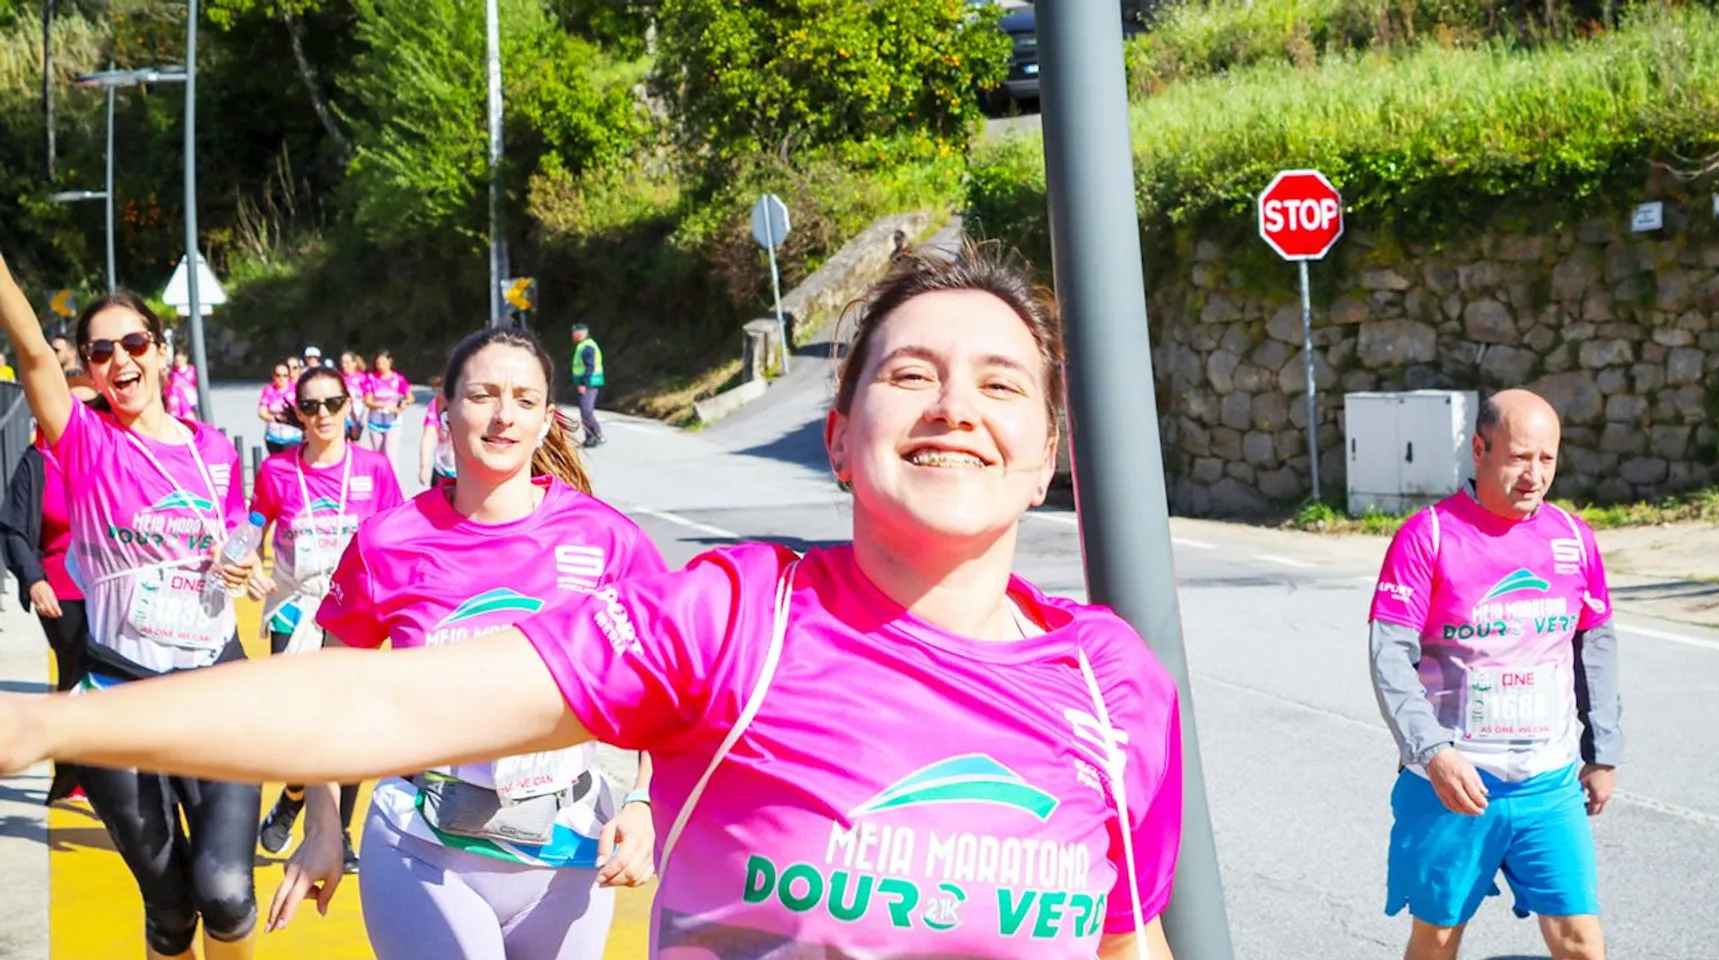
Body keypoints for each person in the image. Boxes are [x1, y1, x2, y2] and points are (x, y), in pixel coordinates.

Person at [0, 245, 1183, 959]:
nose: (952, 408)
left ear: (1046, 455)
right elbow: (385, 703)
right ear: (835, 434)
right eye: (909, 375)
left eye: (1000, 384)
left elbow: (1127, 937)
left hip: (561, 861)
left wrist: (625, 815)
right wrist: (53, 724)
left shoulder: (1112, 684)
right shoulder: (740, 620)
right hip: (434, 846)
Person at [264, 326, 665, 958]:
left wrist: (646, 801)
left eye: (525, 400)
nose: (504, 416)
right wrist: (321, 825)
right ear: (445, 411)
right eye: (483, 395)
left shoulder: (605, 539)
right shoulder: (388, 541)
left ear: (544, 419)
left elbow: (667, 686)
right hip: (424, 844)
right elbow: (328, 696)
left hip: (568, 848)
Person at [0, 255, 262, 959]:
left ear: (163, 352)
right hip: (119, 698)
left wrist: (240, 559)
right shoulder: (85, 442)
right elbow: (28, 348)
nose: (121, 360)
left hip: (214, 685)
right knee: (172, 910)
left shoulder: (212, 451)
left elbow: (235, 531)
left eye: (135, 344)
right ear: (86, 368)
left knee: (228, 892)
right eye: (101, 351)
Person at [1367, 388, 1622, 960]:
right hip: (1454, 783)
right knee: (1437, 939)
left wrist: (1603, 750)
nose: (1534, 476)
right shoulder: (1428, 535)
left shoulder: (1572, 537)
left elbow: (1595, 645)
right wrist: (1433, 752)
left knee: (1582, 942)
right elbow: (1389, 656)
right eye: (1519, 458)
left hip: (1548, 783)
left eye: (1547, 459)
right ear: (1479, 449)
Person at [249, 364, 405, 875]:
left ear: (349, 406)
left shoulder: (374, 470)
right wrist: (244, 563)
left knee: (351, 727)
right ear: (296, 412)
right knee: (299, 728)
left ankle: (338, 829)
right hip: (294, 610)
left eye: (333, 404)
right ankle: (295, 798)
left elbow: (400, 538)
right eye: (311, 406)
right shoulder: (276, 472)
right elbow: (249, 530)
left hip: (355, 615)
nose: (323, 415)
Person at [0, 429, 87, 803]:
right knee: (78, 672)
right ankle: (72, 778)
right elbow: (14, 530)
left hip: (115, 587)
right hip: (60, 588)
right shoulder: (37, 460)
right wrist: (34, 579)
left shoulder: (110, 454)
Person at [363, 350, 411, 461]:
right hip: (375, 421)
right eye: (378, 363)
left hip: (393, 422)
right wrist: (381, 405)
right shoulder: (371, 378)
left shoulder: (398, 379)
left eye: (384, 363)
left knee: (390, 456)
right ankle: (379, 478)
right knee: (378, 456)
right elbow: (368, 401)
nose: (380, 366)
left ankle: (392, 478)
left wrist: (403, 404)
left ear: (390, 361)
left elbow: (409, 397)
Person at [417, 375, 456, 490]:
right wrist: (424, 466)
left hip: (464, 470)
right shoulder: (434, 405)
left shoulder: (464, 406)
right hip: (441, 466)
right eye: (439, 391)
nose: (441, 395)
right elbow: (428, 436)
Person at [570, 324, 604, 448]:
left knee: (586, 411)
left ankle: (597, 434)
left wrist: (583, 383)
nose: (572, 336)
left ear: (580, 334)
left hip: (589, 384)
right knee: (584, 412)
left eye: (574, 333)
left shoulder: (587, 347)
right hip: (586, 383)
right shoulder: (582, 346)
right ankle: (590, 438)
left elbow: (590, 366)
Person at [260, 362, 302, 454]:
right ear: (273, 376)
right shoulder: (269, 390)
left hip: (292, 436)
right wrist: (276, 418)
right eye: (278, 375)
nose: (281, 379)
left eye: (285, 375)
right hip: (273, 437)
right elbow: (262, 412)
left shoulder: (296, 389)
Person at [340, 351, 368, 444]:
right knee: (342, 444)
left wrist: (365, 416)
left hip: (358, 416)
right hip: (343, 416)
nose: (344, 365)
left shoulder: (362, 378)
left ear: (354, 363)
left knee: (355, 444)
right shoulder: (339, 378)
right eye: (342, 362)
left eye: (347, 363)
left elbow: (367, 399)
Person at [166, 349, 201, 422]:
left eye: (179, 360)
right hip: (178, 406)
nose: (177, 362)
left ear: (185, 358)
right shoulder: (172, 373)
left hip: (191, 402)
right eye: (176, 360)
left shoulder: (192, 370)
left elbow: (197, 385)